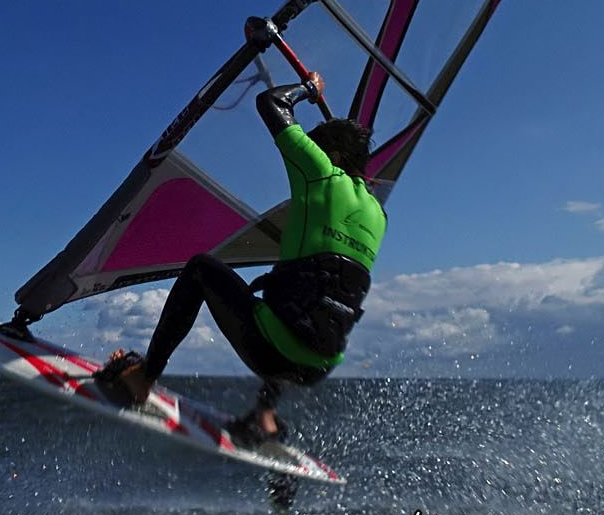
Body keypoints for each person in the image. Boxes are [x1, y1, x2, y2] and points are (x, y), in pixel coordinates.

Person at [96, 69, 386, 445]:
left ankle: (143, 378)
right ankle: (265, 415)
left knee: (202, 268)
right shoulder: (377, 215)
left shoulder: (321, 174)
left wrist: (309, 89)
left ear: (332, 156)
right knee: (298, 306)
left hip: (274, 350)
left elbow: (271, 103)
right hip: (319, 366)